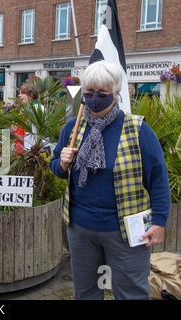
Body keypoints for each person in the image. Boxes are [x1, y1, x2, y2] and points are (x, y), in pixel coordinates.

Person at [50, 60, 171, 300]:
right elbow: (57, 168)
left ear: (115, 93)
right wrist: (62, 163)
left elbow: (158, 178)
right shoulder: (73, 128)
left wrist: (159, 221)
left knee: (131, 292)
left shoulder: (138, 129)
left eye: (102, 93)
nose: (94, 98)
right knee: (85, 292)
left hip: (126, 231)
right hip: (81, 226)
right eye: (89, 93)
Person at [12, 82, 40, 154]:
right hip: (29, 152)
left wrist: (14, 133)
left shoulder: (37, 110)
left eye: (22, 93)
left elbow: (34, 139)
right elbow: (29, 138)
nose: (19, 95)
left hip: (35, 153)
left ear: (31, 95)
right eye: (19, 93)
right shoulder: (27, 110)